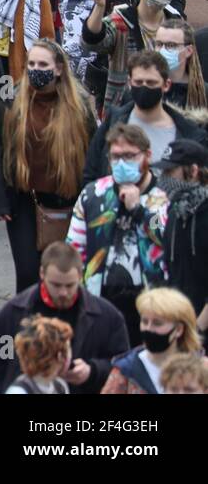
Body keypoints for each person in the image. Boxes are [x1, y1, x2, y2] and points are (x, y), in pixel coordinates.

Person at [69, 122, 170, 344]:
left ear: (147, 155)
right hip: (102, 298)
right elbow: (74, 250)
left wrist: (138, 210)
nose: (122, 163)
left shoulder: (164, 196)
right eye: (115, 157)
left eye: (129, 156)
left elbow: (168, 240)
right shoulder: (93, 194)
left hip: (152, 300)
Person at [0, 241, 129, 393]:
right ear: (42, 273)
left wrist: (92, 371)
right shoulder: (12, 314)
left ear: (80, 275)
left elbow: (123, 366)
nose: (63, 293)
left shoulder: (108, 317)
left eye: (69, 285)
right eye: (56, 285)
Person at [84, 50, 207, 184]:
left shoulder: (188, 132)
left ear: (166, 85)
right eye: (138, 82)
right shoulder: (113, 121)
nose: (144, 87)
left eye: (151, 82)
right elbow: (90, 172)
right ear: (130, 83)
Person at [145, 140, 208, 316]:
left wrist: (198, 329)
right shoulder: (175, 211)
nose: (164, 178)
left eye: (170, 171)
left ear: (194, 171)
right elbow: (156, 232)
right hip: (178, 319)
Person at [102, 287, 200, 394]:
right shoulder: (125, 371)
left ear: (178, 329)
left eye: (157, 323)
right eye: (144, 322)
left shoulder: (200, 368)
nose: (148, 328)